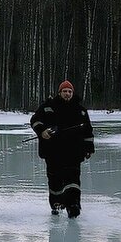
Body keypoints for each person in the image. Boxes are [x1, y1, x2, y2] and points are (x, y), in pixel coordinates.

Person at [29, 80, 95, 217]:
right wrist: (42, 131)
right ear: (59, 93)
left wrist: (89, 148)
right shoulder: (48, 107)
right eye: (64, 91)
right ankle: (56, 204)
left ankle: (73, 205)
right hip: (53, 151)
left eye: (69, 91)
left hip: (74, 151)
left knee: (73, 178)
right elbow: (35, 120)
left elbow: (88, 131)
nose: (67, 94)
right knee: (55, 179)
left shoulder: (80, 110)